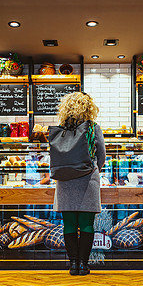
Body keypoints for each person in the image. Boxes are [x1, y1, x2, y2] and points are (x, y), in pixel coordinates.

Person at [52, 92, 106, 276]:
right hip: (88, 180)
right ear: (88, 108)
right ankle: (83, 264)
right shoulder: (93, 128)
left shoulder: (60, 130)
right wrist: (91, 171)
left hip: (65, 180)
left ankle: (73, 264)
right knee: (86, 224)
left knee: (68, 224)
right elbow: (102, 157)